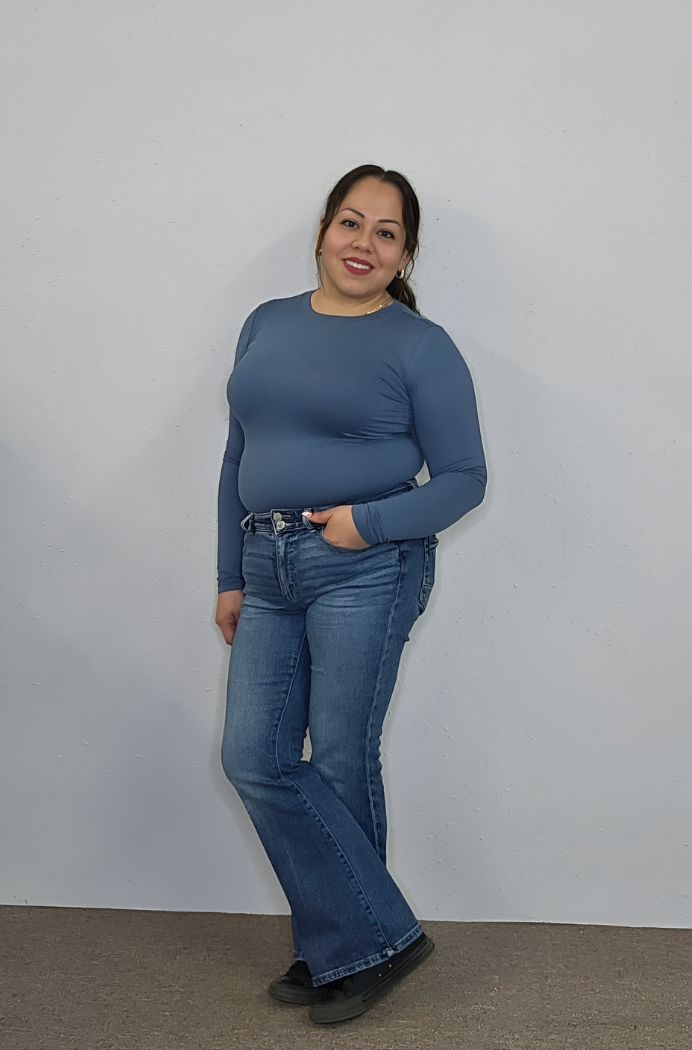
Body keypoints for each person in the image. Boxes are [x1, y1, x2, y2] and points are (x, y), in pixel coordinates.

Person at [215, 164, 487, 1025]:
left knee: (336, 758)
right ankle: (371, 936)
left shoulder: (418, 343)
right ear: (324, 229)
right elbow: (238, 455)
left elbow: (464, 479)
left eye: (385, 231)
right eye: (350, 222)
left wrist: (363, 525)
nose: (362, 243)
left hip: (365, 567)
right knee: (253, 759)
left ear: (405, 253)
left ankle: (346, 947)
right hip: (267, 566)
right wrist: (229, 573)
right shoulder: (266, 322)